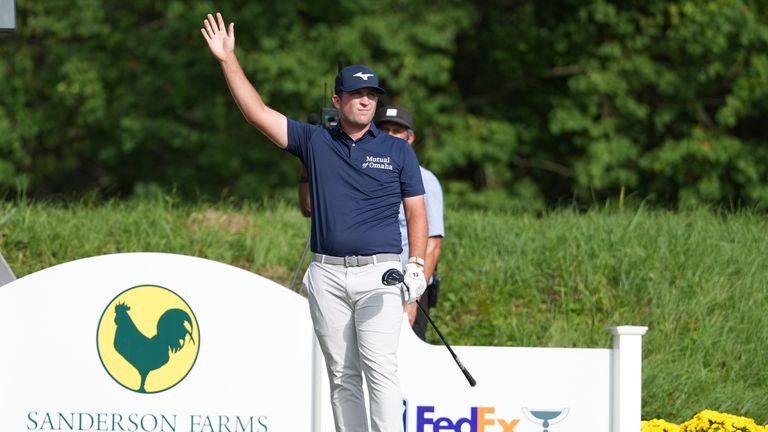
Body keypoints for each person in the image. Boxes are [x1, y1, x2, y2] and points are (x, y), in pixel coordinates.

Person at [200, 13, 428, 432]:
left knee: (380, 371)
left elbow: (417, 211)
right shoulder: (314, 140)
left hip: (380, 274)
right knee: (342, 377)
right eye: (356, 94)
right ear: (338, 101)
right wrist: (228, 60)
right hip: (326, 274)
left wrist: (416, 265)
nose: (365, 101)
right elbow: (257, 114)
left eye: (371, 95)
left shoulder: (398, 152)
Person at [374, 106, 444, 341]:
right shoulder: (369, 176)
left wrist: (413, 298)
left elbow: (433, 245)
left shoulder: (425, 180)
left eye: (397, 131)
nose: (390, 135)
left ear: (410, 138)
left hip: (408, 286)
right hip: (373, 283)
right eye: (384, 130)